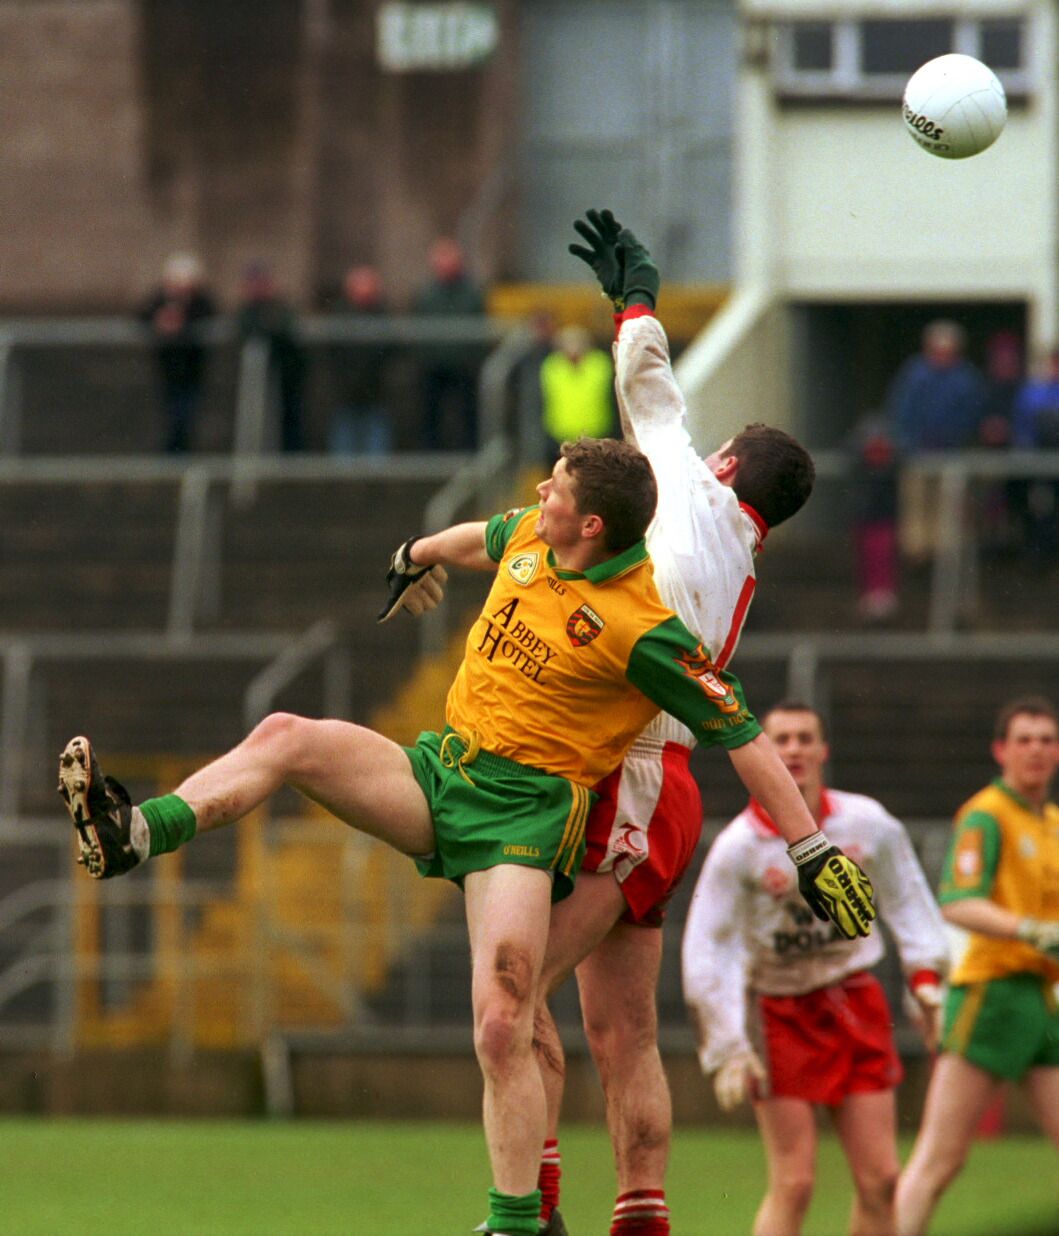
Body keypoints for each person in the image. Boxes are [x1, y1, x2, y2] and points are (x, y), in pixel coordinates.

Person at [55, 434, 873, 1236]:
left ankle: (514, 1223)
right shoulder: (533, 536)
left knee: (502, 1014)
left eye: (556, 488)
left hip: (521, 825)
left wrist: (809, 847)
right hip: (442, 773)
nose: (540, 492)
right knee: (285, 736)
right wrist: (413, 555)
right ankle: (134, 834)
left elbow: (742, 734)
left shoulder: (643, 626)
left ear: (591, 525)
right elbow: (473, 538)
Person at [502, 211, 866, 1236]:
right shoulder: (737, 560)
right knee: (620, 1032)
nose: (704, 454)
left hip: (623, 769)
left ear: (730, 470)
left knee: (515, 1003)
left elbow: (649, 390)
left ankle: (535, 1210)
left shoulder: (692, 496)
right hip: (654, 778)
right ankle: (641, 1216)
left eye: (720, 452)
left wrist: (637, 300)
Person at [683, 701, 948, 1236]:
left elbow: (907, 896)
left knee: (881, 1180)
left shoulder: (866, 823)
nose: (794, 750)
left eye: (805, 738)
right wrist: (726, 1043)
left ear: (824, 749)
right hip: (778, 1012)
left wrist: (926, 977)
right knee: (795, 1182)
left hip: (855, 1000)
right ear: (762, 753)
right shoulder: (738, 848)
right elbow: (709, 946)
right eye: (780, 740)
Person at [895, 696, 1059, 1236]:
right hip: (992, 994)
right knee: (940, 1159)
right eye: (1024, 740)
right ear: (1000, 750)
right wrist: (1031, 930)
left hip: (1041, 998)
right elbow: (958, 901)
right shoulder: (986, 814)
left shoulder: (1052, 822)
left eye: (1046, 740)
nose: (1036, 750)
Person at [886, 319, 987, 563]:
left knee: (949, 507)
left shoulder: (966, 378)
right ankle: (917, 556)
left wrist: (954, 437)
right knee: (916, 505)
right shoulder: (914, 373)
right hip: (916, 452)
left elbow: (973, 414)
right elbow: (900, 411)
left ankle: (944, 559)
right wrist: (908, 441)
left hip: (952, 453)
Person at [413, 236, 487, 450]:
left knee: (469, 417)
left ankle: (470, 455)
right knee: (431, 417)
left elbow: (478, 323)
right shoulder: (427, 294)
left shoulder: (471, 293)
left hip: (464, 365)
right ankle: (430, 456)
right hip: (433, 365)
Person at [139, 253, 216, 453]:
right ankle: (173, 453)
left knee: (185, 414)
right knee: (170, 412)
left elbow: (208, 313)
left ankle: (180, 453)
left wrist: (183, 322)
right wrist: (160, 320)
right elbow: (142, 314)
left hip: (192, 367)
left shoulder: (200, 301)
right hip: (167, 367)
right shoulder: (160, 299)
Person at [234, 262, 306, 452]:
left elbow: (284, 331)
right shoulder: (247, 311)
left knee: (289, 419)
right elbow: (246, 330)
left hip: (287, 375)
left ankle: (290, 460)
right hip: (256, 379)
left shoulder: (280, 308)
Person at [328, 264, 392, 455]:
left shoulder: (383, 316)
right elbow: (332, 353)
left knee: (376, 443)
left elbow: (389, 351)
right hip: (345, 391)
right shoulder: (339, 316)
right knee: (344, 443)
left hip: (375, 390)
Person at [1009, 346, 1059, 562]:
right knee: (1035, 506)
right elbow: (1022, 427)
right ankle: (1036, 555)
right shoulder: (1033, 392)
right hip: (1037, 466)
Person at [539, 324, 615, 460]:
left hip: (597, 432)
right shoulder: (552, 366)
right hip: (559, 434)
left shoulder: (600, 364)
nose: (573, 348)